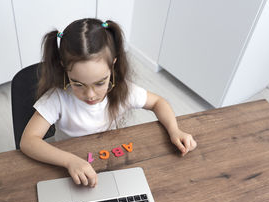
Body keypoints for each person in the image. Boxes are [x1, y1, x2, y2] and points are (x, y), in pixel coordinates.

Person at [20, 18, 197, 188]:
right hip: (67, 163)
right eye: (78, 84)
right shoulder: (58, 98)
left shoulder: (122, 90)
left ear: (113, 65)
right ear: (64, 69)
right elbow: (28, 141)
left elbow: (158, 102)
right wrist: (70, 160)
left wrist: (175, 130)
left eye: (99, 83)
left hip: (106, 161)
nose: (90, 95)